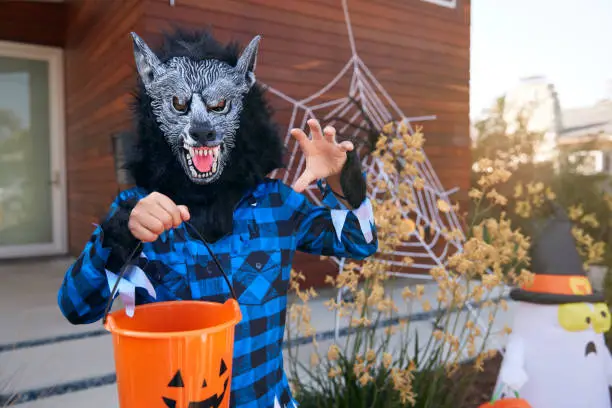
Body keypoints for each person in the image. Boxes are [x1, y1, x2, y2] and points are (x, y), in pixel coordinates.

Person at [57, 29, 378, 408]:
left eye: (219, 104)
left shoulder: (277, 205)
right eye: (178, 102)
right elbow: (77, 307)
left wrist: (344, 182)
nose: (200, 123)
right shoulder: (137, 212)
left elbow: (360, 241)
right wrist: (118, 235)